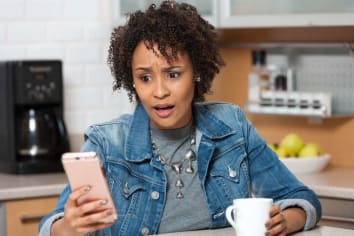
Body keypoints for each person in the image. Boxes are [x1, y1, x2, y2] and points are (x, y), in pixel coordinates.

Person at [39, 1, 321, 235]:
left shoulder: (232, 126)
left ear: (196, 72)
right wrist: (68, 228)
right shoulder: (107, 143)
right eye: (145, 78)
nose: (159, 91)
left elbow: (302, 199)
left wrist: (285, 222)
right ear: (132, 81)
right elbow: (50, 226)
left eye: (173, 74)